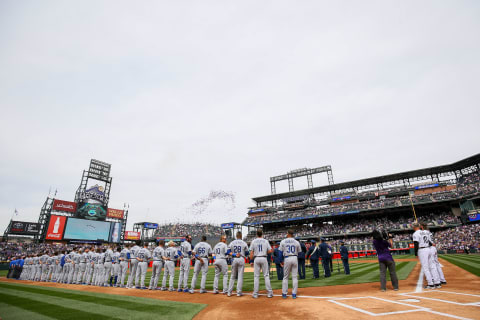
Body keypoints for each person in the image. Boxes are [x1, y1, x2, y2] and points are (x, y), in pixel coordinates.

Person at [249, 229, 273, 299]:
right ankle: (269, 293)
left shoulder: (253, 241)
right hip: (264, 258)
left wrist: (251, 261)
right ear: (262, 234)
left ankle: (255, 294)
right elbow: (270, 250)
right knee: (266, 275)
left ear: (257, 234)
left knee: (256, 276)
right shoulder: (265, 241)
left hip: (256, 258)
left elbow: (251, 253)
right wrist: (265, 252)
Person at [412, 223, 437, 289]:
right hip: (429, 248)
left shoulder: (415, 233)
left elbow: (416, 244)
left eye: (412, 226)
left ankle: (430, 284)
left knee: (425, 267)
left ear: (414, 227)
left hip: (422, 250)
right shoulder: (425, 232)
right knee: (431, 266)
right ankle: (436, 282)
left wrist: (416, 253)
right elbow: (429, 241)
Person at [279, 229, 301, 299]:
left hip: (287, 258)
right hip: (294, 257)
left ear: (288, 234)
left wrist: (281, 261)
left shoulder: (283, 241)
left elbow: (280, 253)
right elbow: (299, 252)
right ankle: (294, 294)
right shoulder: (296, 242)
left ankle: (284, 294)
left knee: (285, 277)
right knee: (294, 277)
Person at [227, 231, 249, 297]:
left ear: (236, 236)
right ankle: (238, 293)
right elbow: (247, 253)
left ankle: (229, 292)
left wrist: (234, 254)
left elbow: (228, 252)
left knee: (232, 276)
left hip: (234, 258)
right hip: (241, 259)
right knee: (240, 276)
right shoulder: (244, 243)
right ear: (241, 236)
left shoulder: (232, 242)